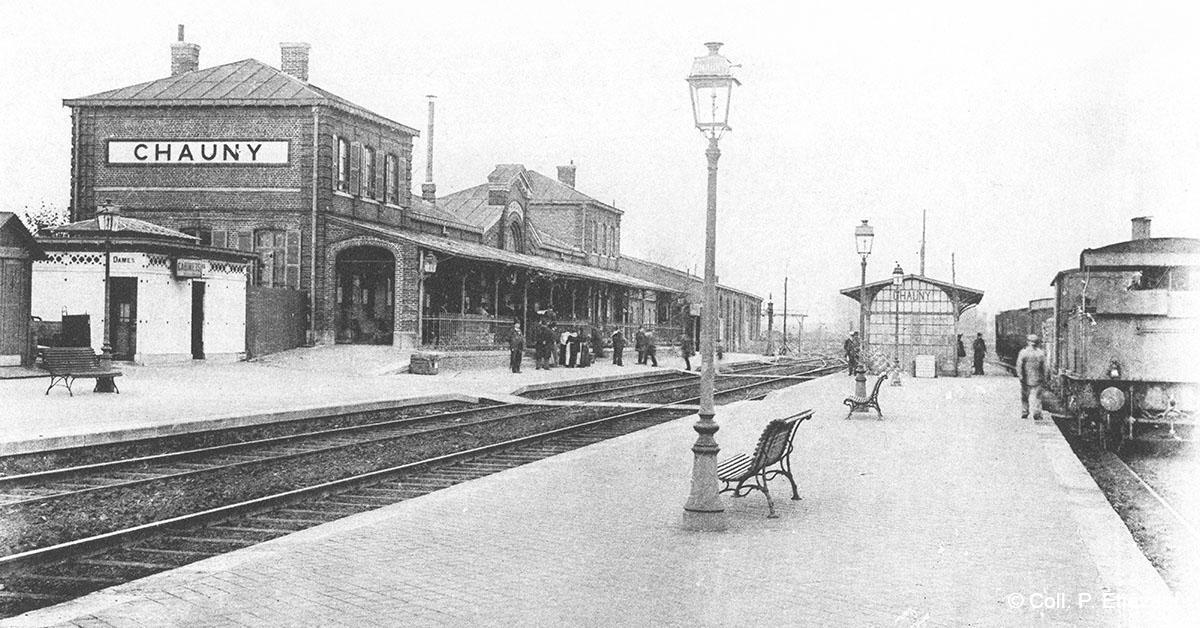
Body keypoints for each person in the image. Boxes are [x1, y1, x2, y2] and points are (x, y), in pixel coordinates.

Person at [1016, 334, 1047, 420]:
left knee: (1024, 396)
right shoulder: (1040, 353)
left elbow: (1019, 365)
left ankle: (1025, 411)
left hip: (1025, 378)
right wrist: (1044, 377)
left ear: (1027, 342)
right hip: (1038, 379)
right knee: (1037, 397)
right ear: (1037, 343)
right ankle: (1037, 413)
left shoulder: (1023, 352)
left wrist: (1020, 376)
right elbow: (1044, 367)